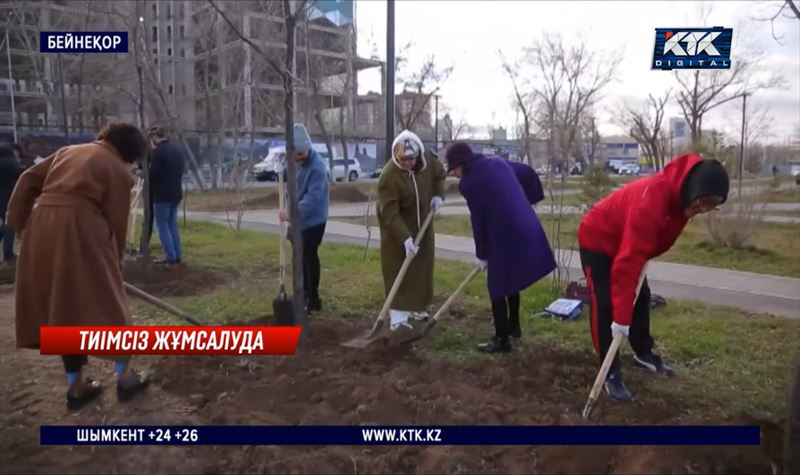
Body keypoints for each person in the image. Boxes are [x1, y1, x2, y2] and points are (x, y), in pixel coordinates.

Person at [6, 121, 151, 410]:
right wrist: (115, 262)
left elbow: (28, 180)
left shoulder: (68, 152)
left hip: (42, 228)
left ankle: (76, 385)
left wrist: (20, 223)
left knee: (64, 306)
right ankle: (125, 378)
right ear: (130, 153)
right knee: (112, 304)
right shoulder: (117, 170)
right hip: (78, 228)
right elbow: (117, 222)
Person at [577, 153, 729, 402]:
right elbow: (628, 262)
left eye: (711, 205)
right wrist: (621, 319)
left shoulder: (683, 200)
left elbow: (646, 246)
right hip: (599, 240)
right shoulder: (652, 201)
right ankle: (609, 371)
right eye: (704, 202)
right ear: (695, 190)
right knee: (605, 305)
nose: (703, 209)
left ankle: (643, 352)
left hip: (629, 242)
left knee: (640, 295)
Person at [445, 143, 556, 353]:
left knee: (496, 286)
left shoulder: (469, 183)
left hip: (503, 232)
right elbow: (527, 172)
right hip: (525, 222)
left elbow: (478, 220)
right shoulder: (495, 161)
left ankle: (501, 339)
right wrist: (529, 200)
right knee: (510, 279)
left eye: (455, 170)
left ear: (462, 164)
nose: (455, 175)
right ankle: (513, 326)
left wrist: (482, 254)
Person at [377, 130, 446, 334]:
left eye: (411, 159)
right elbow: (389, 212)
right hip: (396, 230)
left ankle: (417, 308)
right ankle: (398, 318)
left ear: (418, 156)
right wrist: (404, 237)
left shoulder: (428, 162)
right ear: (396, 157)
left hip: (423, 226)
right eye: (403, 159)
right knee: (397, 269)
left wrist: (438, 195)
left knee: (422, 268)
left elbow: (440, 174)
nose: (408, 163)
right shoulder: (389, 177)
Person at [278, 124, 330, 313]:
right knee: (297, 258)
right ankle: (301, 294)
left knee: (308, 257)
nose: (299, 158)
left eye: (301, 154)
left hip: (314, 221)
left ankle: (313, 298)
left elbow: (311, 200)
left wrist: (291, 213)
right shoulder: (292, 162)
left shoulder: (318, 168)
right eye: (295, 154)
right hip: (296, 220)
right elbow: (290, 187)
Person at [147, 125, 185, 265]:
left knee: (162, 226)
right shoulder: (177, 149)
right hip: (175, 193)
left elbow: (153, 174)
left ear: (154, 137)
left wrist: (143, 174)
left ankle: (170, 255)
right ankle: (177, 254)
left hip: (162, 195)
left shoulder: (158, 153)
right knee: (172, 225)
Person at [0, 144, 23, 263]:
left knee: (5, 224)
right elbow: (21, 175)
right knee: (9, 226)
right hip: (7, 199)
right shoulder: (11, 162)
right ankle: (8, 255)